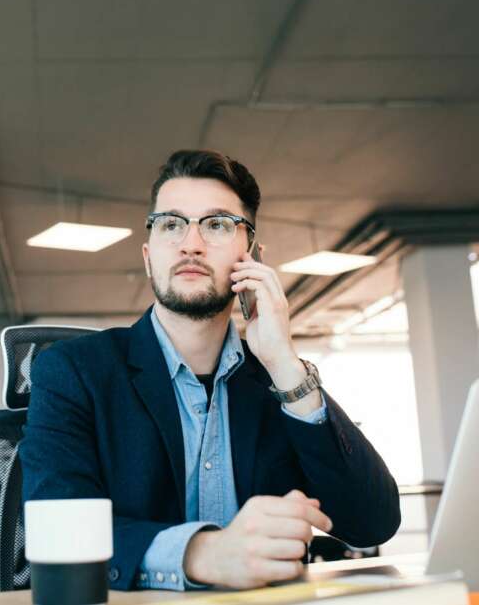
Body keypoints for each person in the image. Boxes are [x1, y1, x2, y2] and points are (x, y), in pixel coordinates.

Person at [21, 150, 400, 591]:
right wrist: (202, 553)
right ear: (149, 257)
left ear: (252, 257)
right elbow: (56, 526)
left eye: (217, 224)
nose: (191, 243)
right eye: (171, 224)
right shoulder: (74, 372)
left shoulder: (277, 382)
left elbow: (373, 522)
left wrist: (284, 364)